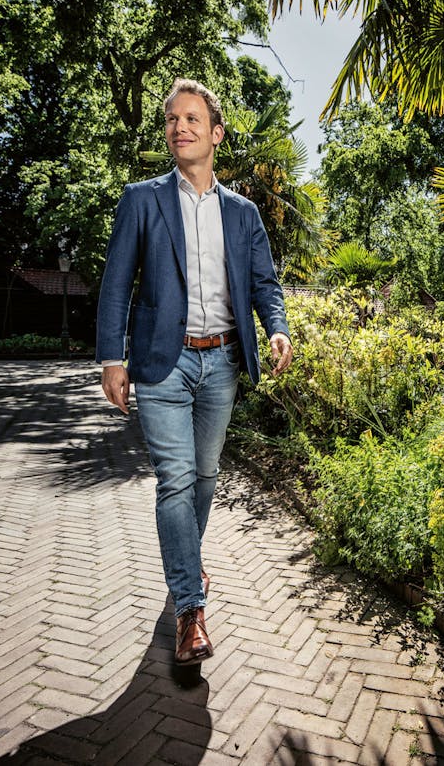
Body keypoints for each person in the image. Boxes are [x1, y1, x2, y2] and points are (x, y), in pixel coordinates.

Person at [96, 79, 293, 665]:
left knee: (204, 476)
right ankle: (189, 610)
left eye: (192, 119)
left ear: (216, 133)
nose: (180, 127)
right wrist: (112, 357)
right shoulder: (142, 199)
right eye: (172, 119)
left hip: (224, 359)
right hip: (163, 361)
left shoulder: (243, 212)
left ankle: (186, 561)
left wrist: (276, 325)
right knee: (176, 479)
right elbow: (115, 283)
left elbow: (264, 282)